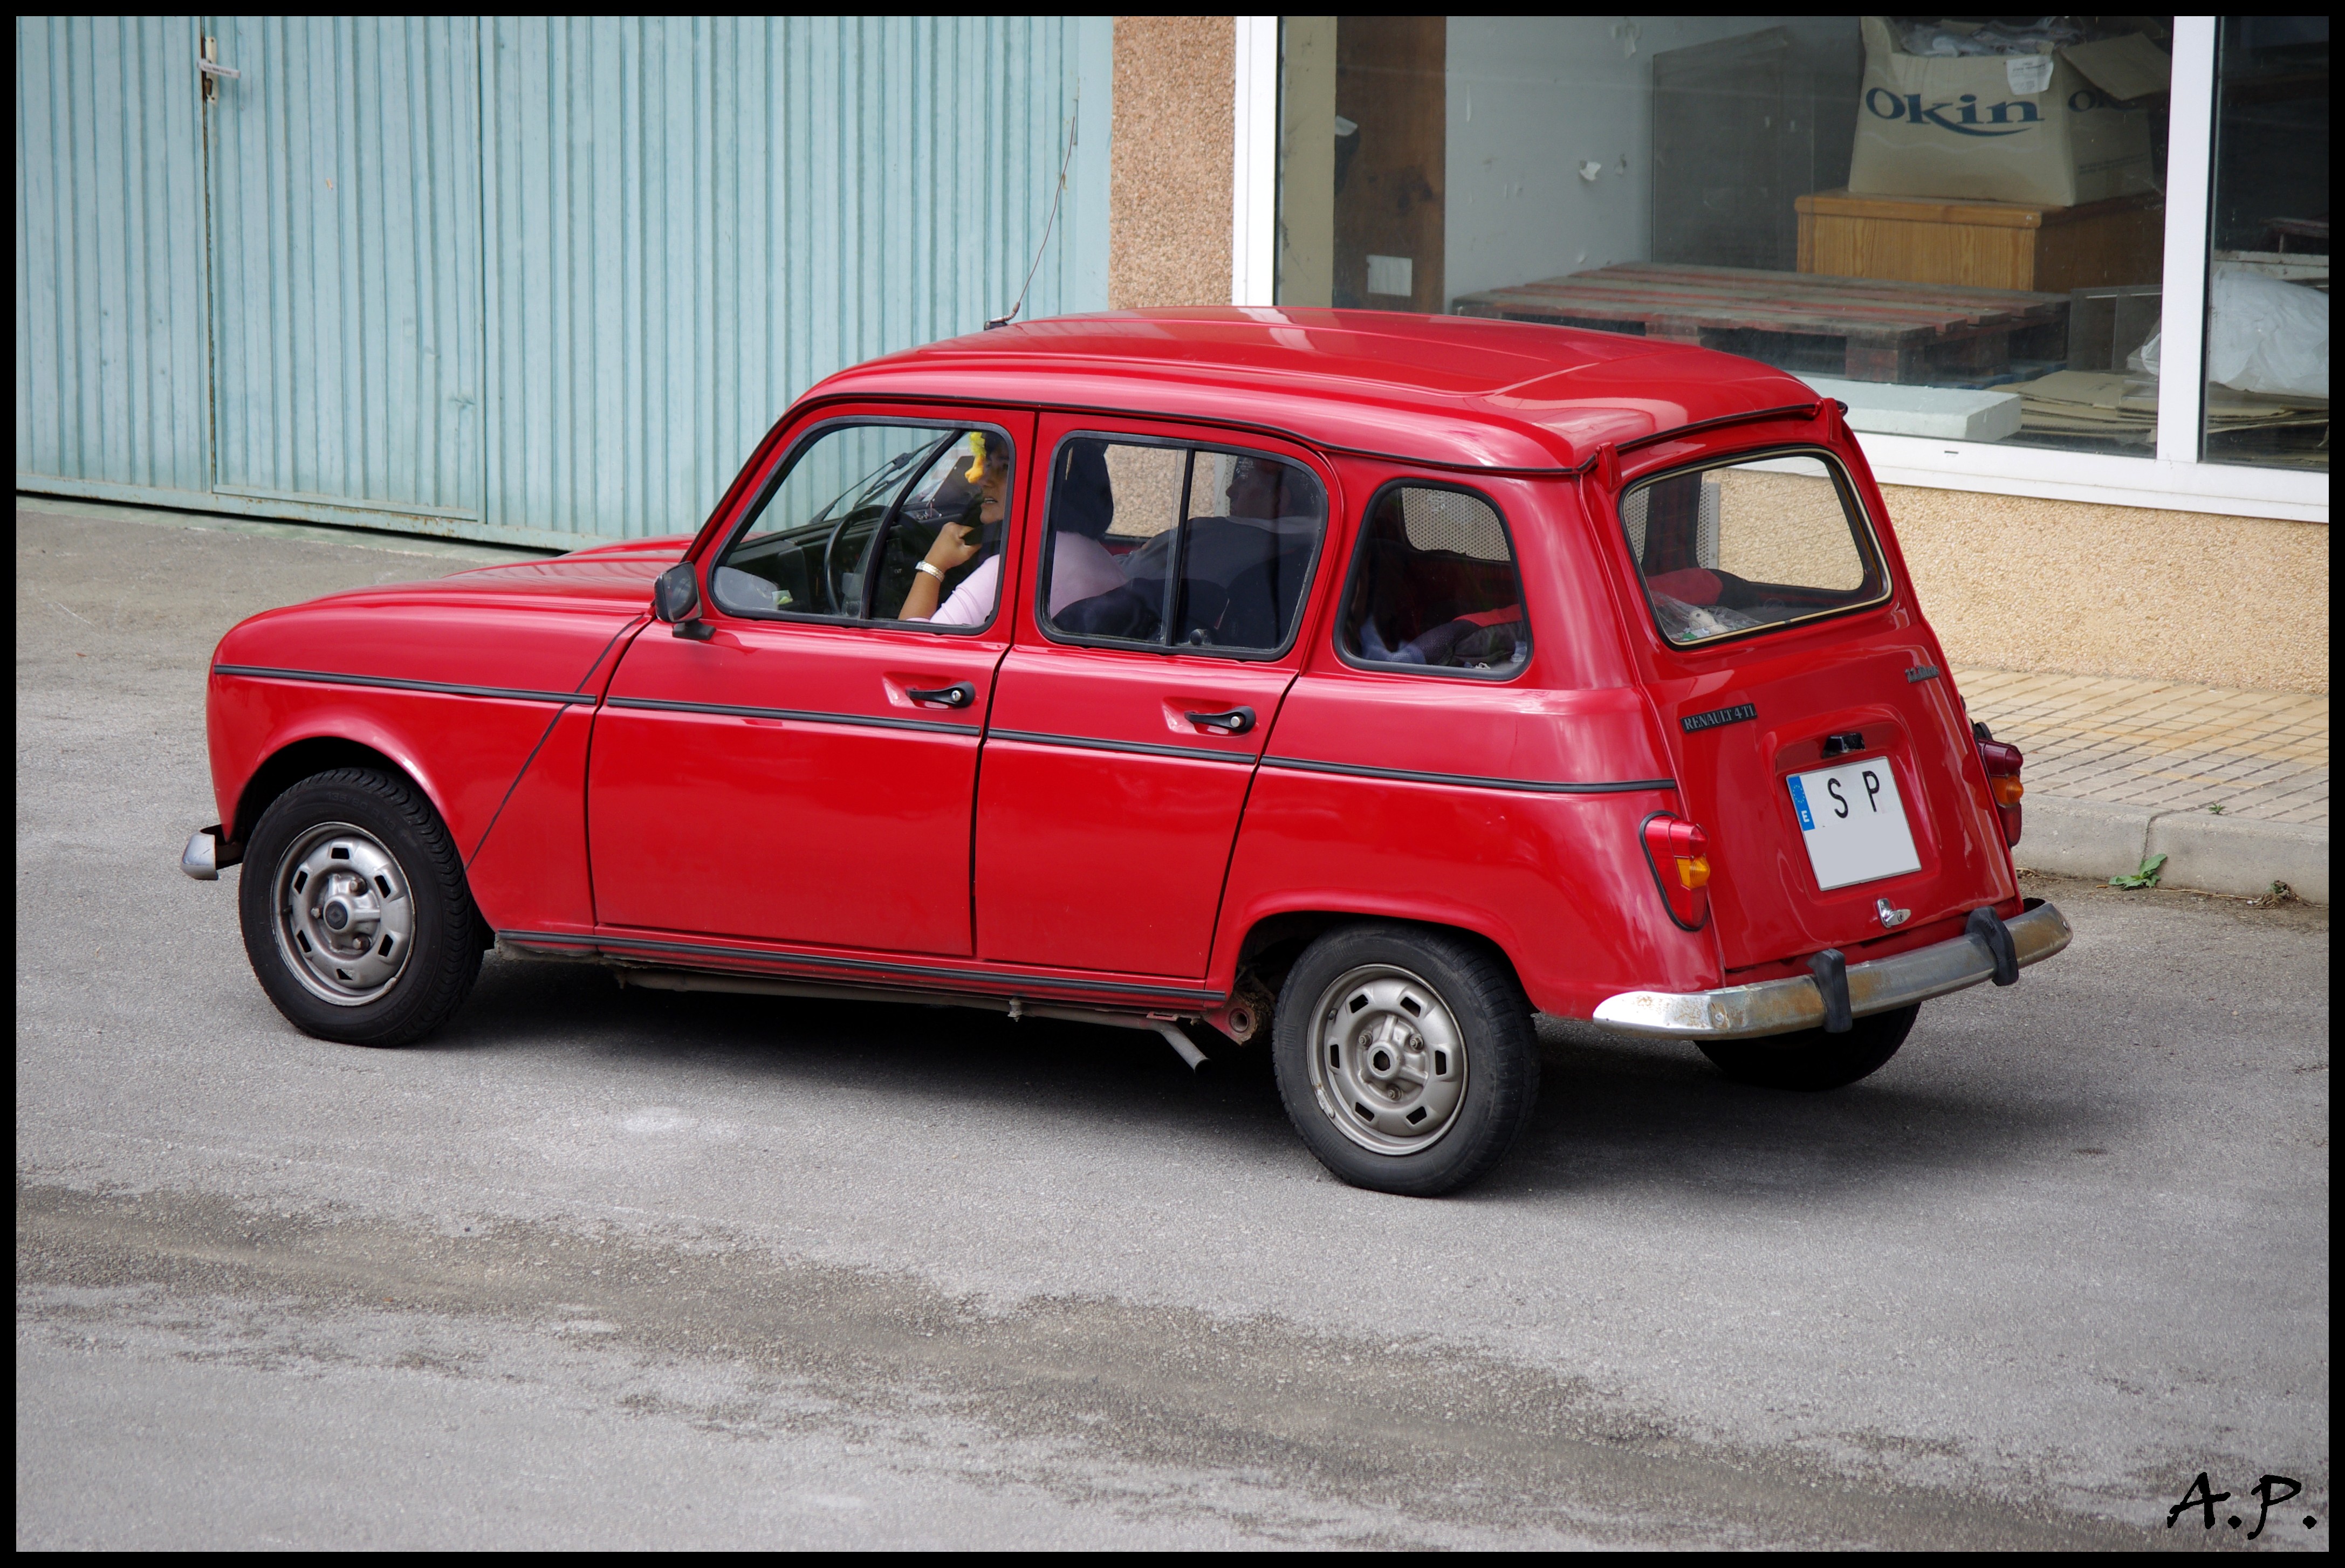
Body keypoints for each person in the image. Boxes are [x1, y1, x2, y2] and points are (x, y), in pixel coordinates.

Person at [901, 438, 1123, 626]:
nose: (982, 479)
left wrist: (934, 565)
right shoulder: (1096, 554)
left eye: (1006, 467)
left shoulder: (1012, 570)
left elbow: (909, 651)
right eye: (988, 464)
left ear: (1045, 480)